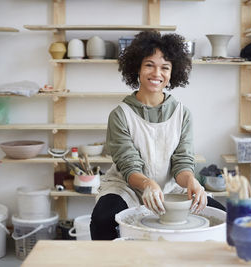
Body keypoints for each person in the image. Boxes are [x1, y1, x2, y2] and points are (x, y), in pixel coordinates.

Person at [90, 31, 225, 240]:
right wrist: (147, 185)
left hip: (173, 187)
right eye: (149, 65)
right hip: (127, 187)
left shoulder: (182, 114)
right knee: (102, 219)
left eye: (165, 67)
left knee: (226, 217)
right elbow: (129, 165)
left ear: (173, 73)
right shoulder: (120, 114)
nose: (157, 73)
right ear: (137, 68)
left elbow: (182, 162)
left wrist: (191, 181)